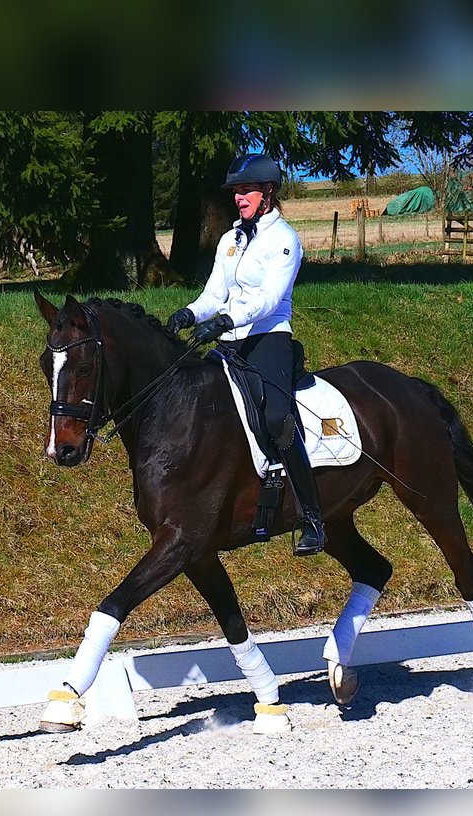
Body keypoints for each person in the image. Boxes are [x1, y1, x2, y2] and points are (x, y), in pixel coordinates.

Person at [166, 153, 325, 556]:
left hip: (269, 337)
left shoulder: (284, 239)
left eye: (245, 191)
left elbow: (270, 299)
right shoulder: (230, 240)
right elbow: (214, 294)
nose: (238, 198)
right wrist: (190, 312)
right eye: (235, 192)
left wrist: (224, 320)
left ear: (267, 193)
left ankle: (311, 517)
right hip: (231, 338)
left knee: (277, 417)